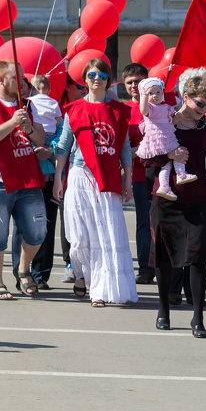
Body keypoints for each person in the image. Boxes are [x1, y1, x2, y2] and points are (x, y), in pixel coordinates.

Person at [152, 69, 206, 336]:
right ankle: (163, 310)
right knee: (164, 257)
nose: (204, 109)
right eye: (200, 103)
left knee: (198, 259)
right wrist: (168, 152)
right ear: (186, 97)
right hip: (166, 199)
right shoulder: (164, 122)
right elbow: (146, 159)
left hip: (198, 200)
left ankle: (198, 317)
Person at [53, 59, 136, 307]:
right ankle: (80, 274)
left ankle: (98, 290)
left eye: (101, 74)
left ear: (108, 79)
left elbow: (124, 149)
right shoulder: (74, 110)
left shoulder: (118, 111)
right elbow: (63, 147)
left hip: (107, 179)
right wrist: (59, 178)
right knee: (79, 237)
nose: (96, 78)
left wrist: (128, 180)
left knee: (104, 238)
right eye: (91, 74)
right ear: (85, 79)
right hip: (79, 176)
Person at [0, 60, 49, 299]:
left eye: (24, 78)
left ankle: (23, 269)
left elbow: (40, 137)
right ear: (1, 80)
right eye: (17, 78)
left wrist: (29, 129)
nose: (22, 83)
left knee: (38, 231)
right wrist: (12, 122)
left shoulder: (27, 105)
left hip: (26, 178)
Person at [10, 74, 62, 291]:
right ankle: (20, 271)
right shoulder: (18, 111)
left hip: (49, 176)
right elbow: (14, 137)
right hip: (26, 176)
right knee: (22, 226)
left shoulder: (55, 108)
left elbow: (62, 134)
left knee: (47, 226)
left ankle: (41, 274)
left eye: (25, 85)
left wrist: (50, 151)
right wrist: (32, 151)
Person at [120, 63, 158, 284]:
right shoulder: (123, 111)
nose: (134, 86)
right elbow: (120, 148)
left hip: (162, 172)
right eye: (130, 82)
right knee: (144, 222)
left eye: (138, 81)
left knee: (162, 222)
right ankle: (145, 268)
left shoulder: (160, 105)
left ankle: (164, 266)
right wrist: (134, 151)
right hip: (139, 175)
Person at [136, 76, 196, 200]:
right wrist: (144, 96)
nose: (155, 95)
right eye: (151, 93)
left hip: (166, 135)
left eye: (158, 92)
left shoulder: (166, 107)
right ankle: (181, 174)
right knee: (176, 152)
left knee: (167, 163)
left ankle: (164, 186)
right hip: (157, 138)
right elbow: (143, 110)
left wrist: (177, 118)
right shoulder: (150, 108)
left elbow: (170, 121)